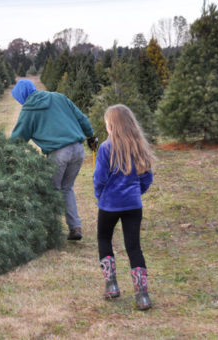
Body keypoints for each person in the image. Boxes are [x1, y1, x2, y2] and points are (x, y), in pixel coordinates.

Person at [10, 79, 97, 241]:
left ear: (22, 95)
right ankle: (75, 227)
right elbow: (82, 118)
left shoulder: (29, 109)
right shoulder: (58, 97)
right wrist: (91, 136)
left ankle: (52, 231)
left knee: (52, 190)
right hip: (78, 150)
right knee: (67, 188)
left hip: (58, 153)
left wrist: (6, 153)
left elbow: (18, 138)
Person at [93, 104, 154, 310]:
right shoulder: (138, 146)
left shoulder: (106, 148)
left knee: (103, 237)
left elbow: (99, 178)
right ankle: (142, 295)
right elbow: (147, 176)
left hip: (109, 205)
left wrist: (100, 196)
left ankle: (111, 284)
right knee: (134, 247)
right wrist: (137, 193)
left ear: (112, 126)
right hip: (133, 205)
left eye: (107, 125)